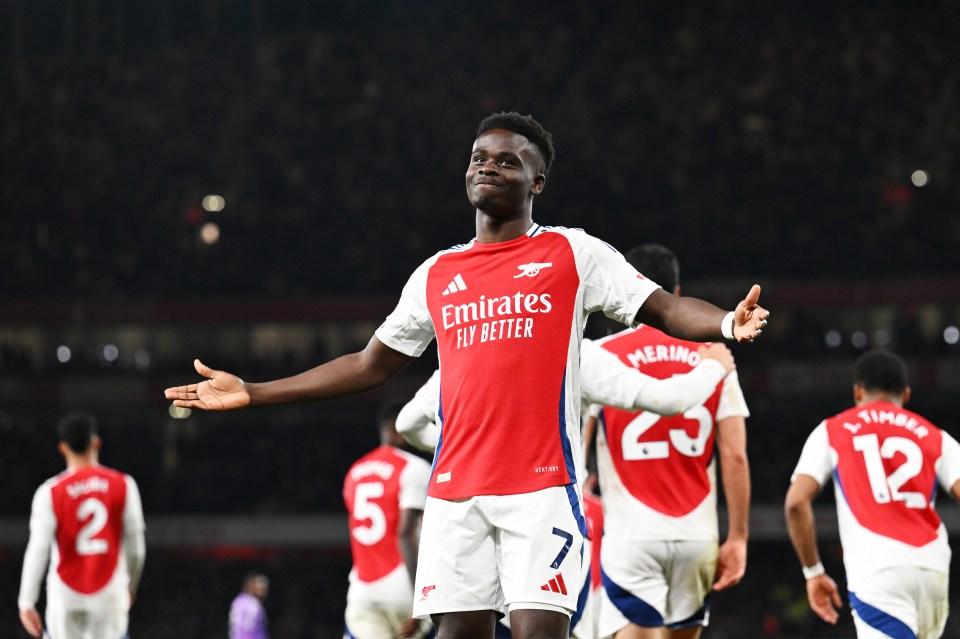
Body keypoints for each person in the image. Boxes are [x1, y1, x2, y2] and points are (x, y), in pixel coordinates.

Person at [165, 112, 769, 639]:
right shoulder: (436, 273)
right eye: (479, 158)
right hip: (455, 492)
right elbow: (369, 364)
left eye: (508, 161)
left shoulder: (574, 253)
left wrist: (725, 326)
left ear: (537, 182)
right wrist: (257, 392)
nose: (488, 167)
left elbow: (663, 307)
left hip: (542, 487)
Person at [392, 339, 736, 639]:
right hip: (549, 532)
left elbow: (407, 422)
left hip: (474, 532)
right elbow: (668, 399)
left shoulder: (468, 352)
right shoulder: (577, 351)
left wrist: (467, 455)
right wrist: (713, 367)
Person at [592, 244, 751, 639]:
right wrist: (739, 536)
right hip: (697, 536)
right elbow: (735, 455)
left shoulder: (600, 356)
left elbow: (574, 444)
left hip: (631, 534)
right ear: (677, 295)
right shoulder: (715, 357)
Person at [785, 350, 960, 638]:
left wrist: (813, 572)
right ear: (905, 395)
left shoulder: (832, 430)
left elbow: (795, 504)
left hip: (879, 568)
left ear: (857, 391)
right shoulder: (935, 436)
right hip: (933, 565)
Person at [17, 412, 146, 639]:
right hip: (109, 593)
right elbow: (136, 549)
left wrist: (26, 601)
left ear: (63, 448)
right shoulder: (124, 485)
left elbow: (38, 549)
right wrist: (130, 586)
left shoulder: (50, 492)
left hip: (65, 595)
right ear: (96, 442)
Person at [343, 402, 433, 639]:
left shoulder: (354, 472)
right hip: (402, 588)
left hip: (363, 590)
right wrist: (419, 598)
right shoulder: (414, 468)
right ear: (399, 428)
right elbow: (405, 532)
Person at [229, 572, 270, 639]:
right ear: (251, 586)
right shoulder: (251, 604)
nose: (264, 591)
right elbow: (247, 629)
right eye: (260, 587)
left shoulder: (238, 601)